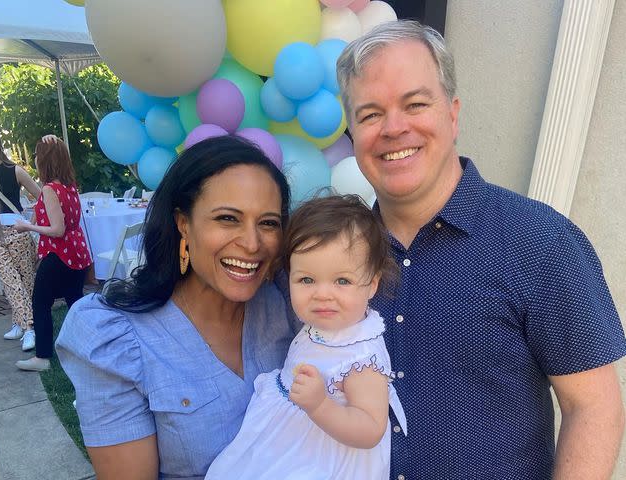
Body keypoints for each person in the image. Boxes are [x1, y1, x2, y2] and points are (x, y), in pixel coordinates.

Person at [336, 19, 625, 479]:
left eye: (415, 104)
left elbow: (593, 407)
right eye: (370, 114)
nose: (394, 128)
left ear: (452, 114)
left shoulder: (539, 243)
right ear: (352, 131)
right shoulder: (338, 253)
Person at [55, 135, 299, 478]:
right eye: (228, 218)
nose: (252, 243)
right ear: (183, 223)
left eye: (268, 223)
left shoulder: (287, 303)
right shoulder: (117, 339)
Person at [207, 194, 407, 479]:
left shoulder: (362, 356)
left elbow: (371, 428)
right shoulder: (320, 326)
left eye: (342, 281)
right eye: (307, 280)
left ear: (372, 285)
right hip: (288, 439)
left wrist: (321, 406)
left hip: (325, 457)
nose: (322, 294)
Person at [13, 135, 92, 371]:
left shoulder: (50, 189)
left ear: (46, 160)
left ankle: (42, 357)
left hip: (59, 254)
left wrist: (27, 226)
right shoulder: (68, 186)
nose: (35, 159)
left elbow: (57, 230)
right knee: (75, 301)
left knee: (40, 302)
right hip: (76, 253)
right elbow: (64, 218)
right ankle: (89, 347)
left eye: (38, 155)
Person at [0, 126, 40, 350]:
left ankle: (18, 322)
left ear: (0, 145)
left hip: (18, 231)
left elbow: (41, 196)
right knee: (11, 281)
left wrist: (32, 224)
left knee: (26, 281)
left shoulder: (15, 170)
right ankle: (30, 328)